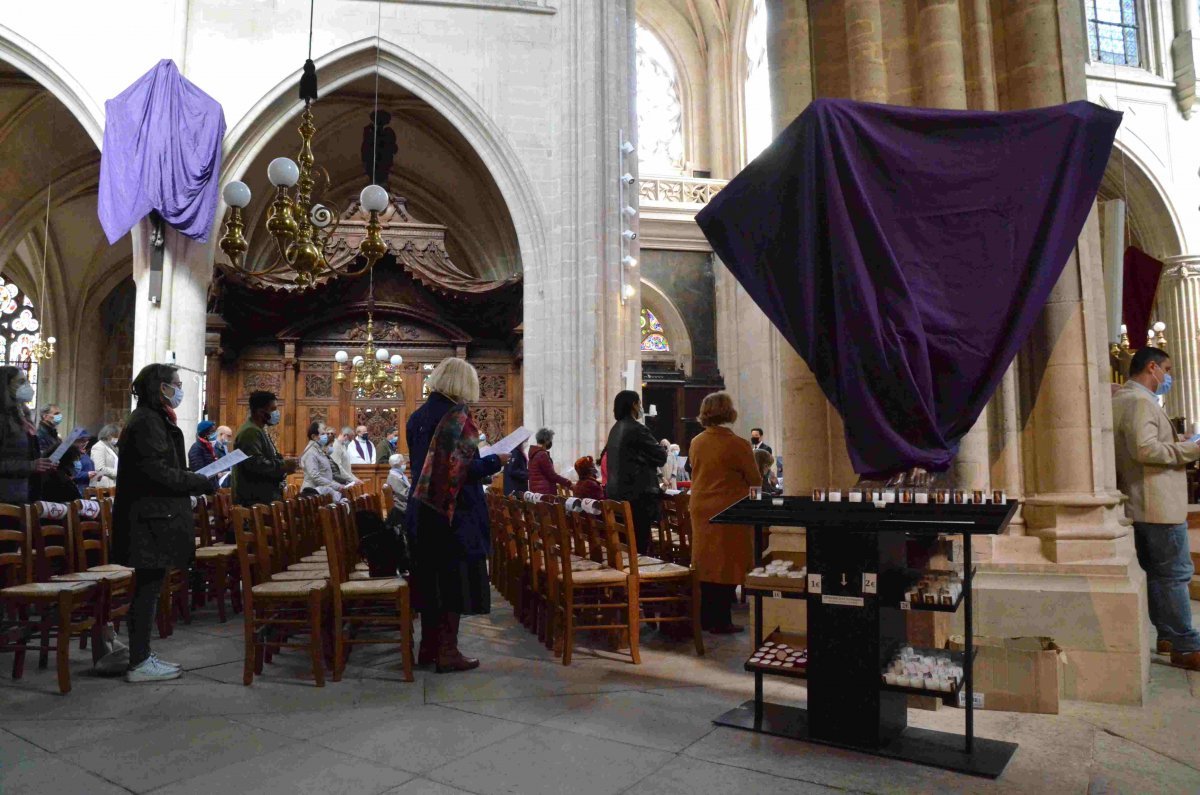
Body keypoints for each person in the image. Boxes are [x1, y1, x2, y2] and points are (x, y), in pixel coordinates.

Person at [112, 363, 214, 682]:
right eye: (176, 383)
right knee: (148, 589)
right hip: (149, 518)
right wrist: (196, 481)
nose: (180, 389)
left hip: (154, 515)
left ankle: (140, 655)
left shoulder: (152, 419)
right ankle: (140, 661)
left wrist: (191, 482)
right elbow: (156, 472)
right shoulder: (147, 422)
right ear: (161, 387)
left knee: (150, 587)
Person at [406, 357, 506, 673]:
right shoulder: (456, 418)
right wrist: (495, 461)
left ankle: (428, 649)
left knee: (429, 578)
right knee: (452, 581)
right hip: (453, 515)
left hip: (421, 510)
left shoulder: (417, 416)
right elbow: (459, 472)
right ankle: (448, 652)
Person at [1112, 346, 1200, 671]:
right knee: (1175, 575)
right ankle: (1185, 646)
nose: (1169, 376)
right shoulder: (1137, 401)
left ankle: (1167, 635)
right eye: (1167, 369)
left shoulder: (1121, 399)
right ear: (1152, 367)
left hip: (1142, 501)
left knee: (1159, 576)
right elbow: (1145, 449)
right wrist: (1192, 449)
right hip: (1156, 504)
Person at [689, 392, 759, 633]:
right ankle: (720, 621)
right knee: (728, 563)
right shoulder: (738, 444)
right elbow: (755, 479)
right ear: (729, 412)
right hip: (728, 509)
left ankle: (706, 617)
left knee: (707, 562)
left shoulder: (696, 441)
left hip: (700, 507)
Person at [604, 390, 668, 554]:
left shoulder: (615, 429)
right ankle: (639, 577)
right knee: (639, 546)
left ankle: (628, 575)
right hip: (637, 499)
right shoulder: (637, 429)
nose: (641, 407)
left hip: (616, 495)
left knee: (626, 545)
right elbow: (660, 456)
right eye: (639, 403)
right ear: (634, 404)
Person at [230, 391, 297, 507]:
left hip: (263, 497)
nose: (277, 413)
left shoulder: (259, 430)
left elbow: (269, 459)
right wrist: (283, 465)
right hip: (254, 500)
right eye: (273, 409)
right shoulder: (250, 432)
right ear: (261, 412)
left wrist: (284, 466)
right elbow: (257, 465)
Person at [0, 366, 55, 503]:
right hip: (5, 498)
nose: (27, 386)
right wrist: (31, 466)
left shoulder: (22, 415)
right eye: (20, 382)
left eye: (27, 381)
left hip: (25, 493)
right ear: (4, 385)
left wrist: (44, 462)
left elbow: (24, 453)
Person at [300, 421, 347, 501]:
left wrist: (337, 485)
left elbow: (326, 475)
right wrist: (335, 486)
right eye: (322, 434)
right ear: (314, 436)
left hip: (322, 492)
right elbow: (315, 476)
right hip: (312, 494)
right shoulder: (310, 452)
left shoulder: (319, 450)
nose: (326, 436)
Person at [528, 428, 572, 496]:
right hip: (545, 492)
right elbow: (552, 475)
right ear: (546, 441)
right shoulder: (542, 455)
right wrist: (567, 482)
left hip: (535, 491)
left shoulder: (533, 454)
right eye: (550, 440)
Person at [188, 420, 220, 489]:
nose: (215, 434)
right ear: (205, 433)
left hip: (212, 486)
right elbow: (198, 472)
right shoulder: (196, 448)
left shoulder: (208, 446)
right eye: (212, 432)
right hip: (204, 488)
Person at [90, 424, 120, 490]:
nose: (117, 438)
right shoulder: (99, 446)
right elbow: (99, 468)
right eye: (115, 436)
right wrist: (117, 472)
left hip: (112, 485)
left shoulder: (112, 447)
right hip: (102, 485)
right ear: (108, 435)